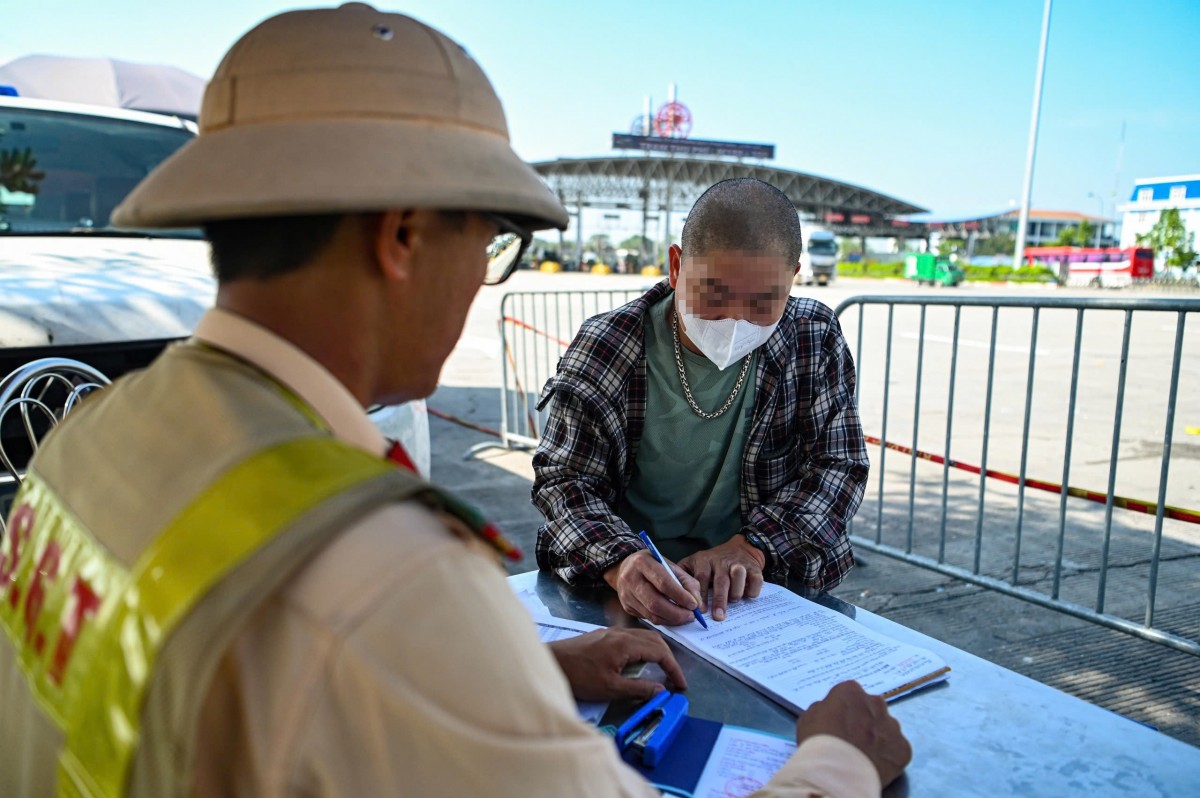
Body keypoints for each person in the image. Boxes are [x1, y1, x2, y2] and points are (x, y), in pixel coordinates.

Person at [0, 6, 906, 796]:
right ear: (403, 238)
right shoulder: (388, 565)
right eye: (486, 246)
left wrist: (524, 674)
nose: (480, 284)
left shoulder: (83, 440)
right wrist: (834, 762)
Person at [534, 178, 869, 624]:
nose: (736, 319)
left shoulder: (813, 337)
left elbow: (839, 466)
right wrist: (623, 563)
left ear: (794, 278)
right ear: (676, 267)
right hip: (632, 591)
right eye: (714, 293)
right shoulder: (610, 346)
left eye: (764, 301)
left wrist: (752, 546)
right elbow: (564, 481)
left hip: (759, 593)